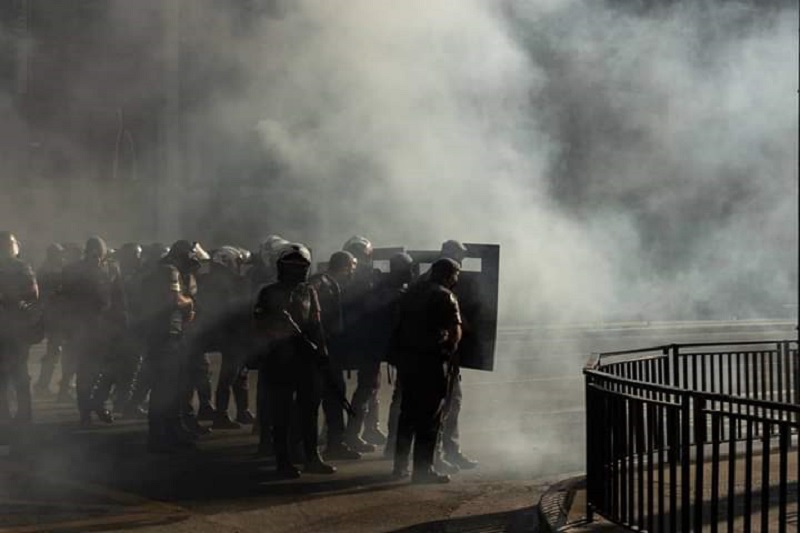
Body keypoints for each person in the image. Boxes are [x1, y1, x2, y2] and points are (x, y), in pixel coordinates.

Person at [253, 243, 336, 478]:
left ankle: (312, 457)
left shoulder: (309, 291)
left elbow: (316, 324)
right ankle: (283, 461)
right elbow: (260, 326)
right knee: (281, 412)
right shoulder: (268, 292)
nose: (297, 271)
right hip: (278, 358)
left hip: (305, 359)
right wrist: (281, 337)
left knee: (309, 410)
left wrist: (322, 351)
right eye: (291, 266)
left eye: (301, 266)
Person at [392, 258, 462, 484]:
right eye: (455, 276)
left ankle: (399, 466)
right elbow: (454, 331)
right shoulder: (445, 296)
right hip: (432, 362)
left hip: (408, 360)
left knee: (407, 414)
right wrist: (449, 355)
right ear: (449, 275)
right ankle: (423, 470)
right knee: (430, 417)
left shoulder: (411, 292)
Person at [142, 240, 207, 452]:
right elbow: (175, 300)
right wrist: (190, 303)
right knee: (166, 387)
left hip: (163, 335)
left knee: (171, 387)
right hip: (166, 336)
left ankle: (168, 432)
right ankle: (162, 436)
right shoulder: (170, 270)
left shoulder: (165, 269)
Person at [61, 236, 126, 426]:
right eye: (92, 249)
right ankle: (85, 412)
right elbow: (65, 300)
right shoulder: (73, 271)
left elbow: (119, 299)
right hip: (82, 328)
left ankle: (98, 403)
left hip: (106, 328)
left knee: (111, 370)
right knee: (85, 372)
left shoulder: (112, 269)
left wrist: (122, 324)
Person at [309, 251, 361, 460]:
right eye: (351, 268)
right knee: (319, 398)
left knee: (332, 397)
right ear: (346, 266)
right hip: (321, 350)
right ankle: (318, 446)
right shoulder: (320, 283)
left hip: (329, 349)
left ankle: (333, 443)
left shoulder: (326, 282)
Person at [435, 240, 479, 472]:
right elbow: (454, 322)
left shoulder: (427, 282)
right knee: (449, 404)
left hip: (428, 354)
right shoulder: (443, 287)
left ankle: (415, 457)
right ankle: (444, 454)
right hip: (443, 356)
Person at [200, 246, 254, 429]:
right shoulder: (235, 282)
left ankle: (241, 411)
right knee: (232, 375)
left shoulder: (207, 280)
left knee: (238, 374)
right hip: (233, 333)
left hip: (225, 332)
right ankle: (222, 415)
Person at [340, 235, 384, 452]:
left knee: (370, 387)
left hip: (356, 339)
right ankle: (351, 433)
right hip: (359, 339)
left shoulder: (344, 278)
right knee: (366, 388)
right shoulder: (353, 279)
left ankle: (367, 429)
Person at [373, 252, 415, 458]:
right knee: (402, 401)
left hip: (400, 351)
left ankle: (394, 446)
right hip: (404, 351)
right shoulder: (394, 294)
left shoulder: (389, 290)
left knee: (400, 399)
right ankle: (394, 447)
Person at [0, 232, 39, 423]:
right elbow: (33, 295)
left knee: (11, 376)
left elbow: (32, 296)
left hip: (14, 330)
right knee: (18, 375)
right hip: (15, 330)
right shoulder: (22, 268)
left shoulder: (21, 268)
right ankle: (21, 416)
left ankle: (12, 417)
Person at [34, 243, 66, 396]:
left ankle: (42, 383)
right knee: (53, 351)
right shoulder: (50, 272)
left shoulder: (45, 270)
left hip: (52, 315)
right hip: (53, 316)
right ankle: (42, 384)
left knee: (53, 351)